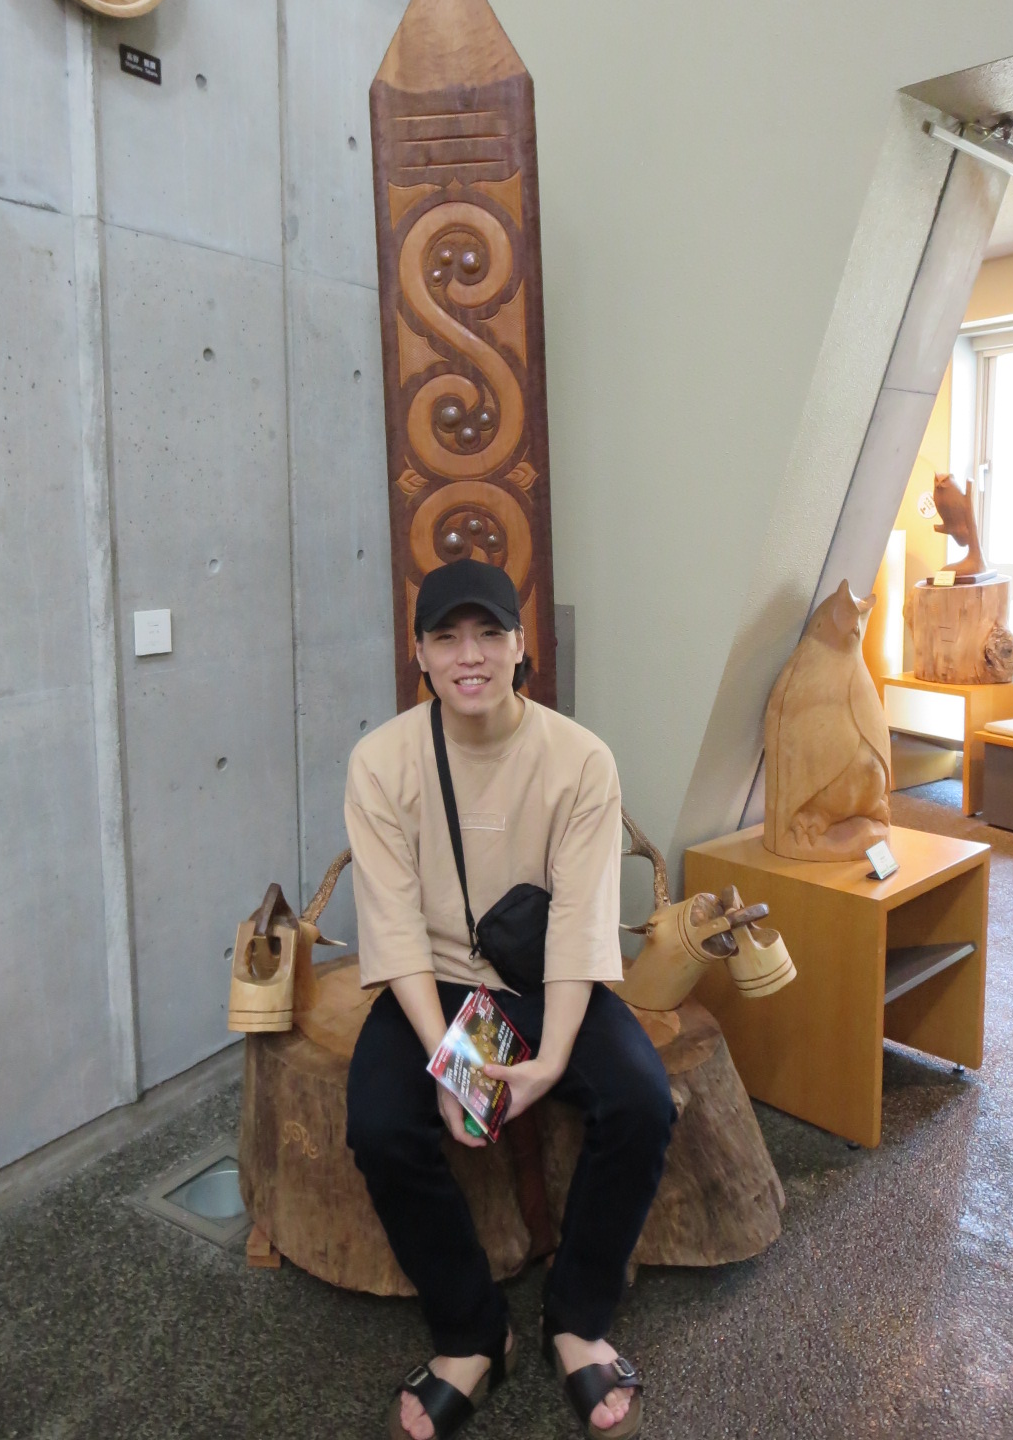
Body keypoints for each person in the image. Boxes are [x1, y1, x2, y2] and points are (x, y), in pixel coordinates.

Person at [344, 560, 676, 1440]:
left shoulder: (580, 760)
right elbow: (393, 928)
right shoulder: (381, 763)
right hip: (434, 982)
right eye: (447, 637)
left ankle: (577, 1317)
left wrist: (553, 1058)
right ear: (419, 652)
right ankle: (471, 1331)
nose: (471, 656)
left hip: (540, 977)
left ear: (521, 645)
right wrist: (454, 1067)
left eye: (490, 633)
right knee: (380, 1123)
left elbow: (579, 923)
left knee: (640, 1101)